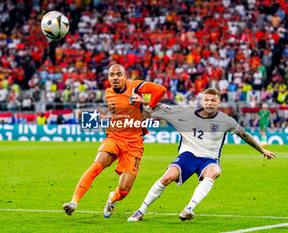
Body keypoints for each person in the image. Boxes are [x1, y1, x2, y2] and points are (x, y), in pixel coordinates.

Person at [127, 88, 276, 222]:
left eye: (213, 100)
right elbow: (162, 107)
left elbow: (243, 134)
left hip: (209, 159)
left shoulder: (226, 120)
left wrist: (262, 150)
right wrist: (144, 101)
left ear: (219, 102)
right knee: (167, 177)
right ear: (202, 101)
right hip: (188, 156)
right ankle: (140, 211)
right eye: (206, 100)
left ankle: (189, 208)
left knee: (214, 171)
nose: (209, 103)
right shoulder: (185, 114)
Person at [62, 64, 166, 217]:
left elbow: (160, 90)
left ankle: (112, 198)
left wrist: (148, 108)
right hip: (114, 137)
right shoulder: (108, 93)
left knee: (124, 191)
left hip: (134, 143)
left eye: (119, 74)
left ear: (125, 76)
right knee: (96, 165)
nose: (115, 77)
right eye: (112, 75)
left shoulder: (134, 87)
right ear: (108, 78)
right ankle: (73, 202)